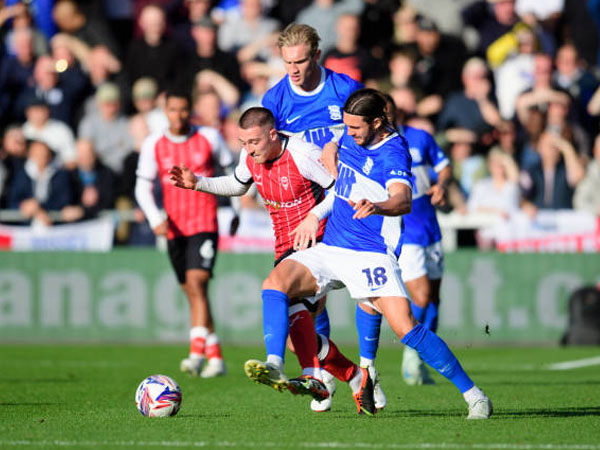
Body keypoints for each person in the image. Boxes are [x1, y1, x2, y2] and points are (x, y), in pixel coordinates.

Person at [249, 88, 493, 419]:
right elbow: (341, 185)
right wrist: (314, 213)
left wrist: (377, 205)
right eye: (346, 128)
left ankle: (475, 395)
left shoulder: (393, 152)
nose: (348, 134)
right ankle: (275, 365)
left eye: (354, 129)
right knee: (275, 283)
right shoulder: (352, 139)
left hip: (371, 253)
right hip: (333, 246)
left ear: (377, 122)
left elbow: (403, 199)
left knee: (407, 328)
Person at [169, 106, 374, 415]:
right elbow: (238, 185)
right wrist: (198, 182)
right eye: (243, 143)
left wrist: (313, 216)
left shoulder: (304, 154)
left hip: (320, 243)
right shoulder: (251, 158)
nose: (249, 150)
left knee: (274, 286)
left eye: (254, 142)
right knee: (297, 335)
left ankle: (276, 365)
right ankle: (353, 377)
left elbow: (341, 191)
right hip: (285, 249)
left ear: (273, 134)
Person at [260, 23, 384, 413]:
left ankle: (361, 371)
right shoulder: (275, 98)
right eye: (286, 63)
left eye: (299, 61)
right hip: (305, 213)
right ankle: (330, 376)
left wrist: (338, 144)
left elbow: (373, 132)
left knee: (370, 299)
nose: (293, 70)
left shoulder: (344, 89)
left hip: (349, 205)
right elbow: (266, 150)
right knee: (305, 306)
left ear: (316, 56)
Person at [135, 89, 235, 378]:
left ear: (189, 110)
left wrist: (238, 211)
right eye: (172, 110)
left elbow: (232, 173)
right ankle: (215, 356)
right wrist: (155, 218)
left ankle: (195, 354)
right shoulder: (154, 143)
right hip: (174, 227)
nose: (178, 115)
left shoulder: (209, 137)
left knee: (197, 282)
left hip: (204, 221)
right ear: (165, 111)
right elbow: (142, 186)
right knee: (191, 291)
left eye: (182, 110)